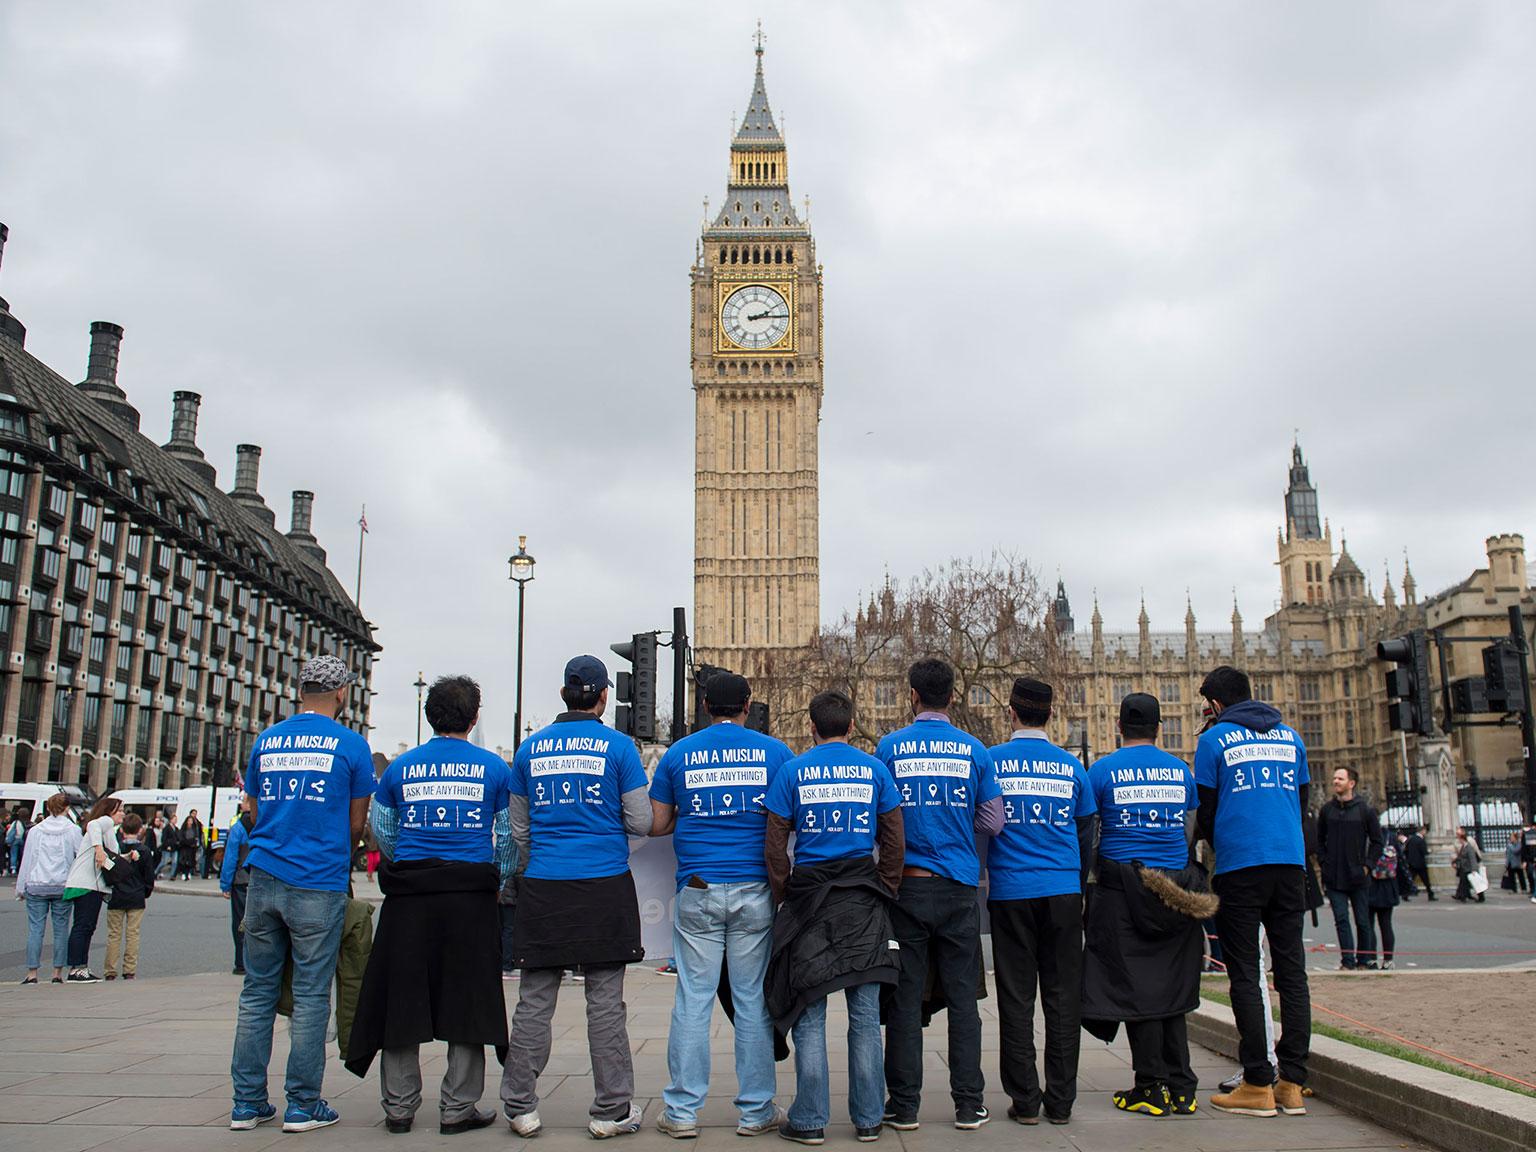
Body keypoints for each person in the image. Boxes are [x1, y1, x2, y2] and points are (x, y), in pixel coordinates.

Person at [347, 675, 516, 1135]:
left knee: (401, 997)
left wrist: (414, 862)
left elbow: (382, 830)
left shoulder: (401, 768)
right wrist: (495, 880)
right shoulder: (494, 769)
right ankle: (458, 1107)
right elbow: (506, 840)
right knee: (468, 999)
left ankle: (399, 1107)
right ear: (475, 716)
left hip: (410, 896)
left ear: (429, 716)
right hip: (470, 895)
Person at [499, 656, 652, 1140]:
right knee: (605, 1002)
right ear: (605, 695)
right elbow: (642, 821)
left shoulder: (530, 750)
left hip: (544, 885)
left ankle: (520, 1105)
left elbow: (518, 829)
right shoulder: (618, 748)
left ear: (564, 694)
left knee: (534, 1000)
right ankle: (611, 1110)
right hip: (603, 884)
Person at [229, 655, 376, 1134]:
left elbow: (250, 807)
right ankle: (302, 1104)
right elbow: (357, 822)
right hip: (318, 878)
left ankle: (247, 1104)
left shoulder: (267, 741)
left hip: (264, 874)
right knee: (313, 995)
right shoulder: (351, 746)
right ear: (341, 695)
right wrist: (340, 856)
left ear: (299, 691)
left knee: (257, 993)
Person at [647, 671, 793, 1140]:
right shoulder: (775, 754)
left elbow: (657, 823)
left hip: (698, 886)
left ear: (705, 705)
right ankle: (756, 1111)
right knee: (751, 1000)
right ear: (748, 706)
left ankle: (682, 1111)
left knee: (693, 999)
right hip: (754, 890)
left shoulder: (679, 754)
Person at [765, 689, 903, 1145]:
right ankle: (868, 1118)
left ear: (811, 727)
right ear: (850, 725)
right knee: (864, 1015)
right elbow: (894, 838)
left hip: (811, 899)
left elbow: (774, 845)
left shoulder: (792, 771)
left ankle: (810, 1120)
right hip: (862, 895)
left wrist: (788, 893)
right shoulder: (875, 770)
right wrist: (885, 887)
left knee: (810, 1013)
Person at [874, 658, 1003, 1132]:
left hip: (907, 887)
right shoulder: (975, 750)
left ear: (912, 696)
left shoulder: (888, 748)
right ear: (953, 697)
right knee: (964, 1000)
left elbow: (878, 818)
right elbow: (993, 821)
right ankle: (969, 1104)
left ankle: (903, 1106)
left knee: (906, 999)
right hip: (958, 888)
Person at [1081, 692, 1206, 1118]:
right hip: (1175, 889)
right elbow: (1190, 830)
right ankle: (1183, 1088)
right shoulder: (1180, 771)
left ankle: (1150, 1086)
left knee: (1137, 990)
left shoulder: (1101, 771)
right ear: (1158, 727)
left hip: (1124, 890)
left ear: (1119, 727)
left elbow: (1092, 832)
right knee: (1172, 985)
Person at [1195, 665, 1311, 1117]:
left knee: (1245, 972)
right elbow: (1300, 803)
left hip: (1242, 866)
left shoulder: (1213, 741)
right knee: (1292, 973)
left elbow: (1206, 810)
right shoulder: (1291, 739)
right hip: (1289, 865)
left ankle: (1259, 1083)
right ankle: (1293, 1083)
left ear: (1218, 705)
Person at [984, 677, 1096, 1126]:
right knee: (1063, 998)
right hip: (1063, 892)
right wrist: (1075, 880)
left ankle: (1026, 1100)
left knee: (1015, 997)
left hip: (1011, 892)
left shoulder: (991, 762)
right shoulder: (1071, 767)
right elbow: (1086, 832)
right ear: (1052, 715)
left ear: (1010, 713)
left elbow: (983, 823)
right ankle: (1062, 1101)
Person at [1316, 767, 1383, 970]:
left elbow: (1377, 842)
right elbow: (1319, 840)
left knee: (1363, 921)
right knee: (1341, 920)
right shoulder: (1327, 810)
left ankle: (1364, 960)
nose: (1335, 781)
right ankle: (1347, 961)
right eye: (1334, 778)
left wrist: (1367, 866)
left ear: (1351, 783)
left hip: (1358, 876)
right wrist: (1324, 862)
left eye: (1340, 778)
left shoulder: (1364, 810)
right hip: (1334, 876)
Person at [15, 792, 83, 985]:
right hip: (62, 885)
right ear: (67, 808)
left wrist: (21, 887)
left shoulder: (36, 830)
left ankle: (32, 973)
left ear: (48, 809)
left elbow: (27, 859)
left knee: (35, 929)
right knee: (61, 929)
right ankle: (56, 972)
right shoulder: (73, 830)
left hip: (37, 884)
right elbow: (79, 857)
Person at [63, 796, 132, 983]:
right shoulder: (105, 822)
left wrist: (126, 856)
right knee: (83, 926)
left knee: (86, 927)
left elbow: (113, 857)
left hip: (89, 883)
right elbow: (92, 825)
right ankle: (76, 968)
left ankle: (80, 967)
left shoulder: (109, 829)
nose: (123, 814)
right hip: (87, 883)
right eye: (120, 810)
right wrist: (99, 850)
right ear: (109, 811)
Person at [104, 813, 157, 981]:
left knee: (114, 934)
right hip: (136, 895)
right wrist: (145, 892)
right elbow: (149, 876)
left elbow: (107, 872)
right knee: (133, 934)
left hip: (117, 894)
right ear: (140, 830)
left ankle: (110, 970)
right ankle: (129, 970)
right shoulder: (145, 851)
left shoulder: (116, 849)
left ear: (122, 829)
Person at [220, 810, 255, 974]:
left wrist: (225, 884)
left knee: (239, 922)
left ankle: (240, 962)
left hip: (240, 880)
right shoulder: (261, 824)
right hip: (258, 880)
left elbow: (231, 857)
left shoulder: (238, 828)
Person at [1366, 843, 1400, 969]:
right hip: (1388, 888)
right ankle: (1388, 960)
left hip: (1370, 886)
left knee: (1369, 926)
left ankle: (1371, 959)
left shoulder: (1368, 841)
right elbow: (1400, 864)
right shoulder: (1390, 839)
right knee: (1386, 925)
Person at [1401, 824, 1434, 900]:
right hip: (1420, 863)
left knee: (1411, 879)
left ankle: (1405, 894)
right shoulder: (1421, 840)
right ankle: (1430, 895)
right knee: (1426, 880)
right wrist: (1429, 851)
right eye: (1425, 831)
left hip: (1412, 862)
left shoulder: (1410, 839)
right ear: (1422, 831)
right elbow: (1424, 852)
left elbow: (1406, 850)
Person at [1452, 827, 1484, 903]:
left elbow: (1473, 857)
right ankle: (1462, 896)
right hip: (1464, 867)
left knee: (1474, 883)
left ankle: (1480, 897)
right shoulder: (1462, 845)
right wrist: (1454, 862)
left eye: (1458, 834)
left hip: (1469, 867)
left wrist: (1474, 869)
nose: (1457, 836)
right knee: (1463, 882)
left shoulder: (1469, 844)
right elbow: (1459, 855)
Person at [178, 811, 202, 881]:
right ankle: (184, 873)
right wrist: (188, 842)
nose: (190, 822)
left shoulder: (194, 829)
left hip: (192, 848)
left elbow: (196, 837)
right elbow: (182, 838)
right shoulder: (183, 829)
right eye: (189, 821)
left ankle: (188, 873)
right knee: (184, 861)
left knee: (190, 862)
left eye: (191, 821)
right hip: (185, 847)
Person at [155, 813, 180, 881]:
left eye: (176, 820)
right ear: (171, 820)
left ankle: (172, 875)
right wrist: (167, 845)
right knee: (164, 861)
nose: (175, 821)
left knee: (174, 862)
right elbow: (164, 839)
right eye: (174, 819)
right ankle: (155, 872)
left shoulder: (176, 828)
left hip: (175, 847)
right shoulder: (167, 828)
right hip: (167, 847)